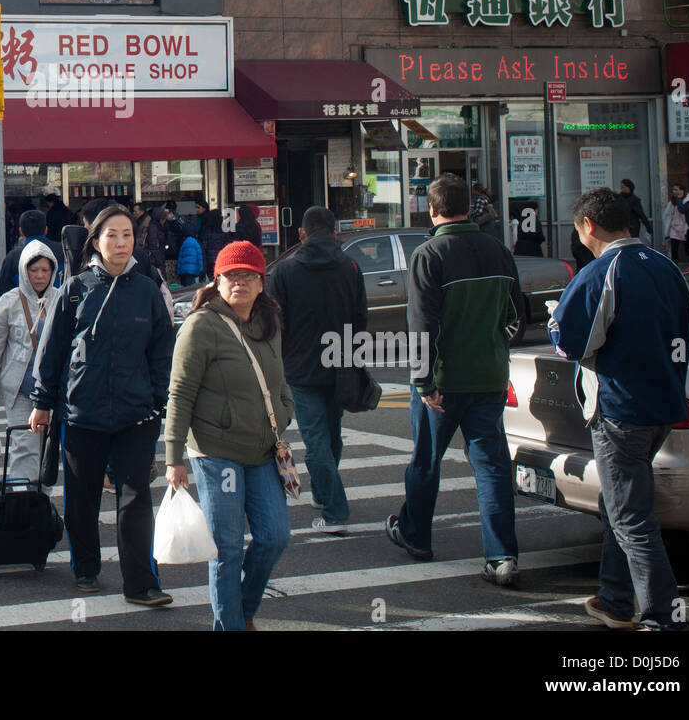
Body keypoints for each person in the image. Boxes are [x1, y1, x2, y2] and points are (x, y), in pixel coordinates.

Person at [552, 188, 689, 631]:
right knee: (622, 504)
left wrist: (557, 315)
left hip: (621, 409)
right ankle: (615, 598)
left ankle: (664, 617)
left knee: (631, 518)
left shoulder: (601, 271)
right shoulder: (668, 267)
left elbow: (571, 341)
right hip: (664, 404)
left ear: (587, 226)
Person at [29, 205, 175, 606]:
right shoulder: (75, 289)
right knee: (82, 500)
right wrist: (42, 402)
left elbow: (164, 353)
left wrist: (157, 402)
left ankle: (142, 584)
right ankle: (87, 569)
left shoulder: (147, 291)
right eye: (113, 234)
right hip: (81, 415)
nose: (122, 242)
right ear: (96, 241)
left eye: (128, 234)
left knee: (135, 500)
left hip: (136, 416)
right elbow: (52, 350)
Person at [387, 174, 523, 586]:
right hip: (490, 377)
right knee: (492, 467)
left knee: (426, 462)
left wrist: (424, 381)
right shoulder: (499, 250)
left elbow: (422, 325)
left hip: (443, 381)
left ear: (431, 209)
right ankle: (501, 557)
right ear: (470, 207)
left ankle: (417, 536)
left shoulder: (429, 254)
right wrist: (495, 350)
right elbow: (516, 316)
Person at [165, 240, 292, 631]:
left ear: (260, 282)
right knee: (227, 547)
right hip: (216, 451)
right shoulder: (200, 326)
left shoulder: (269, 320)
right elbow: (180, 391)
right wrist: (174, 457)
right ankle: (230, 624)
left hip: (262, 449)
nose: (239, 282)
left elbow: (278, 377)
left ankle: (243, 608)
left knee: (274, 536)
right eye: (231, 275)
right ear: (216, 281)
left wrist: (285, 410)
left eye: (248, 276)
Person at [268, 205, 368, 534]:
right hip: (341, 363)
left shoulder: (285, 270)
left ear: (302, 234)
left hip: (300, 367)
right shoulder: (350, 267)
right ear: (335, 231)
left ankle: (335, 510)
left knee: (316, 440)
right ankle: (325, 493)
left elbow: (274, 323)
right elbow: (360, 320)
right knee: (332, 434)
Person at [0, 239, 60, 482]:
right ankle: (22, 505)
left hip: (54, 391)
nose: (40, 276)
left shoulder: (62, 298)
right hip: (20, 391)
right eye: (33, 270)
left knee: (47, 454)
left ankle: (41, 505)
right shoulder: (9, 302)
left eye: (45, 270)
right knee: (24, 448)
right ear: (24, 270)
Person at [0, 209, 63, 297]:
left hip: (24, 309)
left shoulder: (13, 256)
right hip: (60, 308)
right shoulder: (64, 251)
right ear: (46, 230)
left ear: (20, 231)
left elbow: (3, 290)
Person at [663, 184, 689, 263]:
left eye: (676, 190)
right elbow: (668, 214)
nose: (674, 191)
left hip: (685, 229)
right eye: (673, 190)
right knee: (674, 251)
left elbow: (682, 209)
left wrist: (678, 200)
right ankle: (675, 268)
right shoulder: (673, 201)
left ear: (681, 191)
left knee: (688, 251)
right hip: (674, 228)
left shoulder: (688, 201)